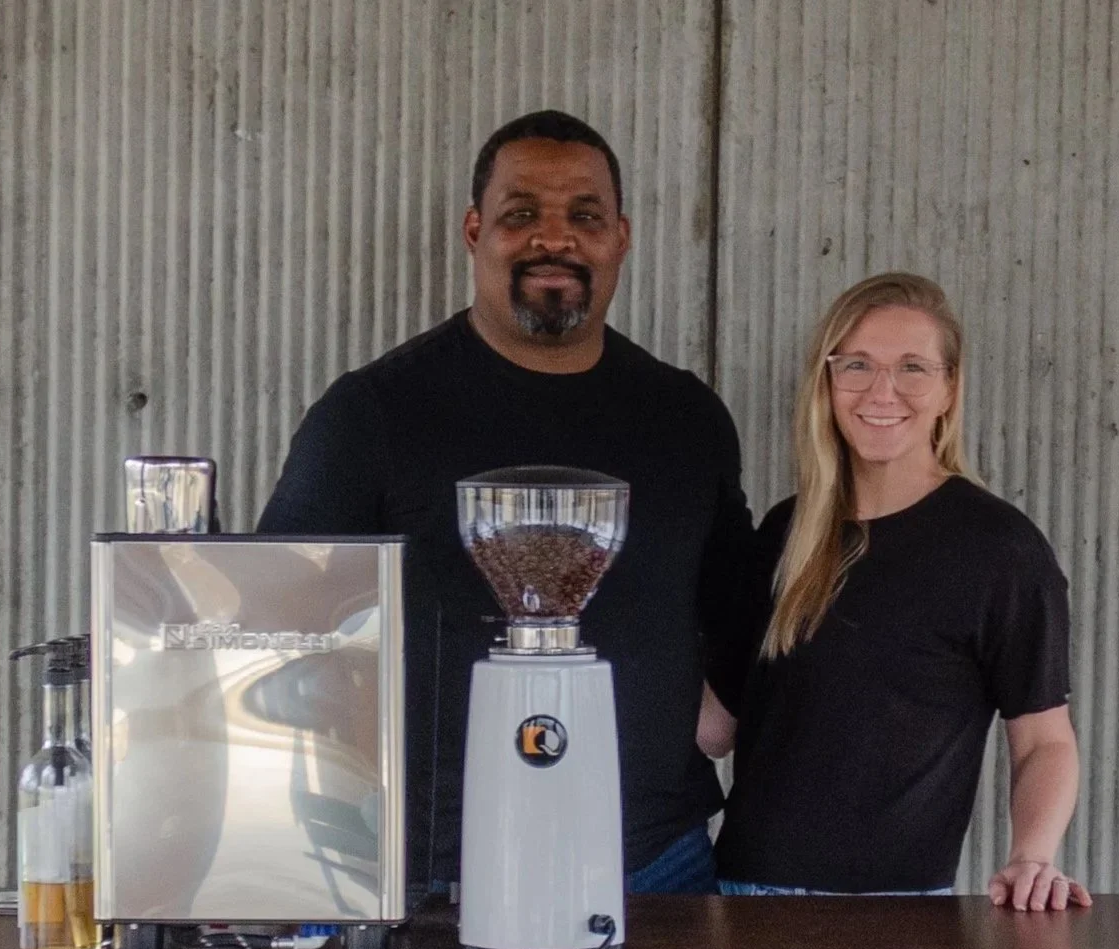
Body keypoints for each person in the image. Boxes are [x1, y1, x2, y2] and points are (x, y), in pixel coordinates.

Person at [258, 110, 753, 894]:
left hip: (652, 863)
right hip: (434, 873)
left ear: (620, 237)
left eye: (583, 216)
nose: (553, 239)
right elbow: (280, 621)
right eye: (521, 214)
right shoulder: (374, 413)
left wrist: (701, 731)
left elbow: (735, 609)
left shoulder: (685, 419)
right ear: (474, 229)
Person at [701, 272, 1093, 911]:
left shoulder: (1000, 550)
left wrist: (1032, 856)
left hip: (900, 911)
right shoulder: (785, 532)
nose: (882, 391)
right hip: (747, 900)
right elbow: (714, 726)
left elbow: (1044, 739)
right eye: (856, 365)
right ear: (828, 383)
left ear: (948, 388)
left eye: (912, 367)